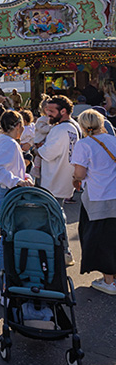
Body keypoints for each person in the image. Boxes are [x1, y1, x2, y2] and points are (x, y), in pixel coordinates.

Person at [71, 109, 116, 295]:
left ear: (82, 126)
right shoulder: (113, 140)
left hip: (98, 196)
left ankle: (109, 281)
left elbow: (80, 174)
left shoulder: (84, 144)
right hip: (114, 194)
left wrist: (75, 179)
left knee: (99, 239)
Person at [39, 95, 81, 203]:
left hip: (54, 183)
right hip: (66, 182)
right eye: (47, 110)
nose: (48, 114)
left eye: (52, 111)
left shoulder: (59, 129)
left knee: (53, 211)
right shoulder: (75, 126)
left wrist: (38, 149)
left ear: (63, 111)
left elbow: (48, 154)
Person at [0, 109, 34, 199]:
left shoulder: (0, 140)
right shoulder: (9, 143)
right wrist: (18, 181)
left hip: (6, 189)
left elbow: (12, 168)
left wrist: (25, 177)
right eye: (22, 126)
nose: (23, 129)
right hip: (9, 191)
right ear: (18, 126)